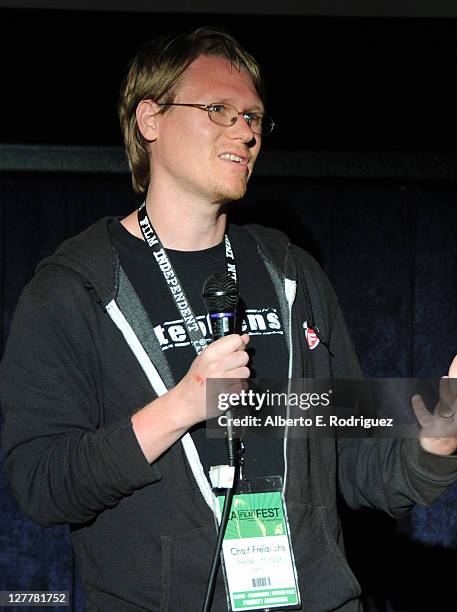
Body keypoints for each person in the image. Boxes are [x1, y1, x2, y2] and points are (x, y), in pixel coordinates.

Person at [1, 27, 457, 612]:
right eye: (219, 109)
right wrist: (183, 406)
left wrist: (436, 439)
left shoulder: (290, 274)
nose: (245, 130)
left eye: (254, 118)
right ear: (150, 119)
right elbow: (41, 483)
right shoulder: (75, 290)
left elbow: (350, 457)